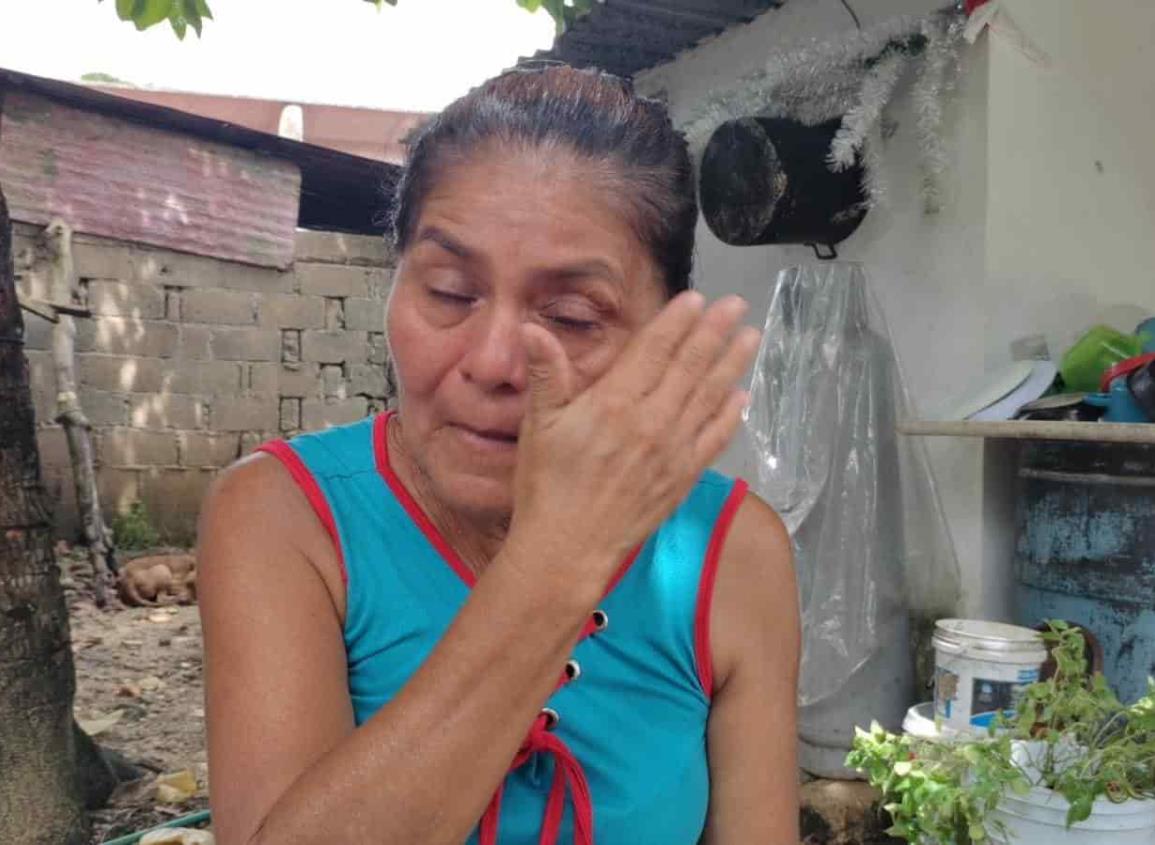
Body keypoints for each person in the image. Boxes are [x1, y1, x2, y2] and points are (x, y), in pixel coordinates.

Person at [198, 65, 799, 845]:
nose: (492, 361)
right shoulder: (284, 518)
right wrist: (556, 565)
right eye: (448, 291)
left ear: (663, 336)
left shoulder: (734, 554)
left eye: (571, 315)